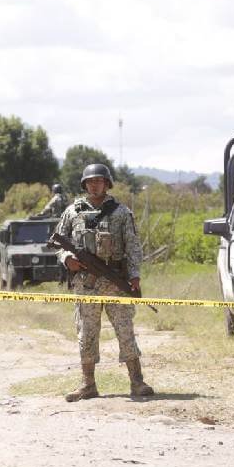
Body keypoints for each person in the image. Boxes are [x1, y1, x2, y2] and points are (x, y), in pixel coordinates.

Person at [54, 164, 152, 402]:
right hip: (85, 284)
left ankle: (137, 382)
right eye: (90, 181)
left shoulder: (121, 212)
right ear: (84, 185)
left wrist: (135, 275)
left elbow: (133, 247)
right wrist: (67, 259)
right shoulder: (72, 212)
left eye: (99, 181)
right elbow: (58, 242)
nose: (94, 185)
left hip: (115, 283)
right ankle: (88, 385)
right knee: (86, 333)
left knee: (125, 331)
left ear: (107, 183)